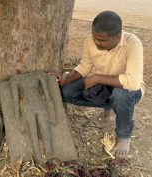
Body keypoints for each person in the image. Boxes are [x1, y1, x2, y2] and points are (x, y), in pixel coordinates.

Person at [51, 11, 144, 157]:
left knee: (120, 95)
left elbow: (132, 82)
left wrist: (96, 78)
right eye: (94, 37)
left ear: (117, 37)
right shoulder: (90, 40)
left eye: (101, 40)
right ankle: (107, 105)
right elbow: (84, 66)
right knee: (65, 91)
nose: (96, 42)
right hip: (102, 86)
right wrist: (65, 79)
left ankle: (124, 136)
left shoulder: (132, 43)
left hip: (127, 90)